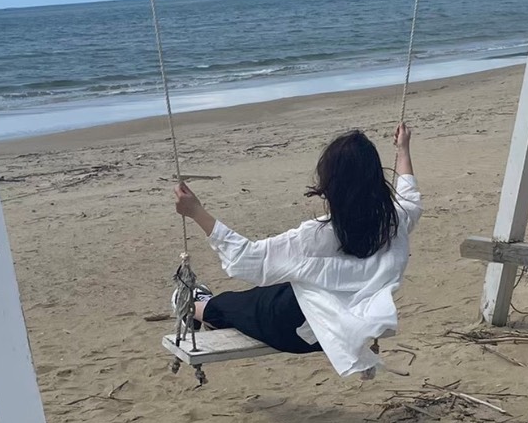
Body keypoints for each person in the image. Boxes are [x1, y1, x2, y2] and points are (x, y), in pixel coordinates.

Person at [172, 125, 421, 378]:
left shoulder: (316, 236)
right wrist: (403, 150)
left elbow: (245, 259)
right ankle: (206, 305)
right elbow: (410, 198)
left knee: (238, 306)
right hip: (349, 326)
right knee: (277, 288)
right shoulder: (395, 221)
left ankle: (195, 306)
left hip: (298, 331)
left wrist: (196, 212)